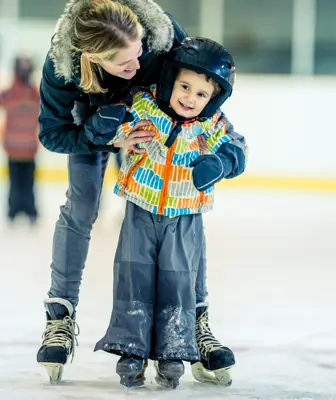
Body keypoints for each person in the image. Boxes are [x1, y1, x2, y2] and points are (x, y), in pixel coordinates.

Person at [36, 0, 247, 385]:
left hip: (153, 117)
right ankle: (60, 317)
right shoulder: (61, 66)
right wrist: (108, 137)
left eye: (139, 55)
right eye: (124, 64)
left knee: (182, 211)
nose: (136, 67)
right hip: (95, 122)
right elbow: (51, 134)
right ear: (92, 58)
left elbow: (203, 96)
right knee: (81, 207)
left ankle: (196, 322)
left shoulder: (162, 36)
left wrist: (224, 153)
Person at [93, 37, 245, 389]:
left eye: (201, 94)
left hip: (184, 217)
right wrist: (106, 122)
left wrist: (221, 162)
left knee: (178, 284)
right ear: (170, 81)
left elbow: (238, 148)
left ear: (214, 99)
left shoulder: (212, 127)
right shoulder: (146, 109)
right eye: (185, 86)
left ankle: (173, 349)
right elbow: (115, 129)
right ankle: (130, 348)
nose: (190, 98)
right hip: (140, 211)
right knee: (135, 279)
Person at [0, 56, 40, 225]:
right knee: (25, 181)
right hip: (25, 147)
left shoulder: (13, 92)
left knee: (18, 181)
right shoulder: (32, 93)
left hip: (17, 147)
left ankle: (16, 211)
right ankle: (25, 211)